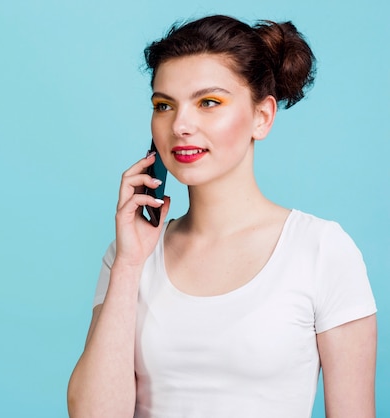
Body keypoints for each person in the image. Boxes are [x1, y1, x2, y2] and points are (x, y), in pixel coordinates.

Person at [67, 15, 377, 418]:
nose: (180, 125)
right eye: (164, 105)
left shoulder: (320, 250)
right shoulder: (128, 255)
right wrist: (129, 263)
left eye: (208, 102)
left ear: (262, 117)